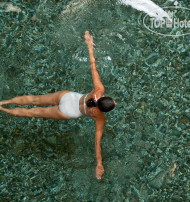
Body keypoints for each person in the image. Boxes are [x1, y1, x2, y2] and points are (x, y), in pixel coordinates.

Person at [0, 31, 117, 180]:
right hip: (67, 111)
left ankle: (4, 102)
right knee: (33, 113)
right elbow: (96, 142)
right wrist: (99, 163)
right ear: (104, 110)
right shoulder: (99, 117)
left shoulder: (98, 90)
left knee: (34, 100)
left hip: (67, 96)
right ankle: (2, 109)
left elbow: (92, 66)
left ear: (104, 98)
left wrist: (89, 44)